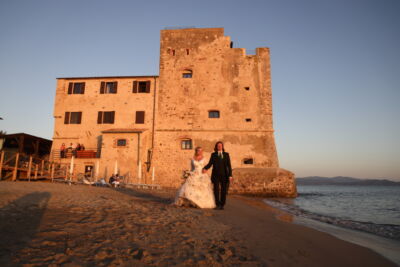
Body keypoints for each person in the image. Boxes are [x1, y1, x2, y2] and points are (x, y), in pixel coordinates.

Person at [202, 141, 232, 210]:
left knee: (223, 190)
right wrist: (204, 168)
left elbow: (229, 166)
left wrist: (230, 175)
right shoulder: (213, 154)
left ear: (222, 147)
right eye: (218, 146)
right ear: (216, 147)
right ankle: (217, 204)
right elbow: (210, 163)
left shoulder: (226, 155)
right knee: (216, 190)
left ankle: (222, 204)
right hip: (215, 175)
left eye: (220, 145)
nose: (219, 147)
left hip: (224, 175)